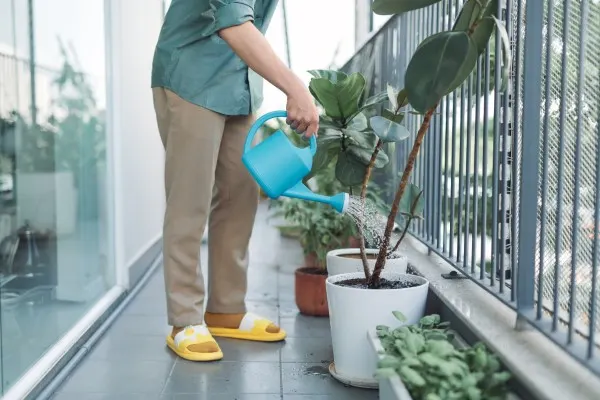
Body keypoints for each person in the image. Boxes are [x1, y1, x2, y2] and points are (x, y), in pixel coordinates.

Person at [151, 0, 319, 362]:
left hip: (238, 86)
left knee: (240, 196)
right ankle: (185, 319)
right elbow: (233, 23)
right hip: (192, 79)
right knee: (189, 200)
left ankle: (226, 308)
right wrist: (296, 88)